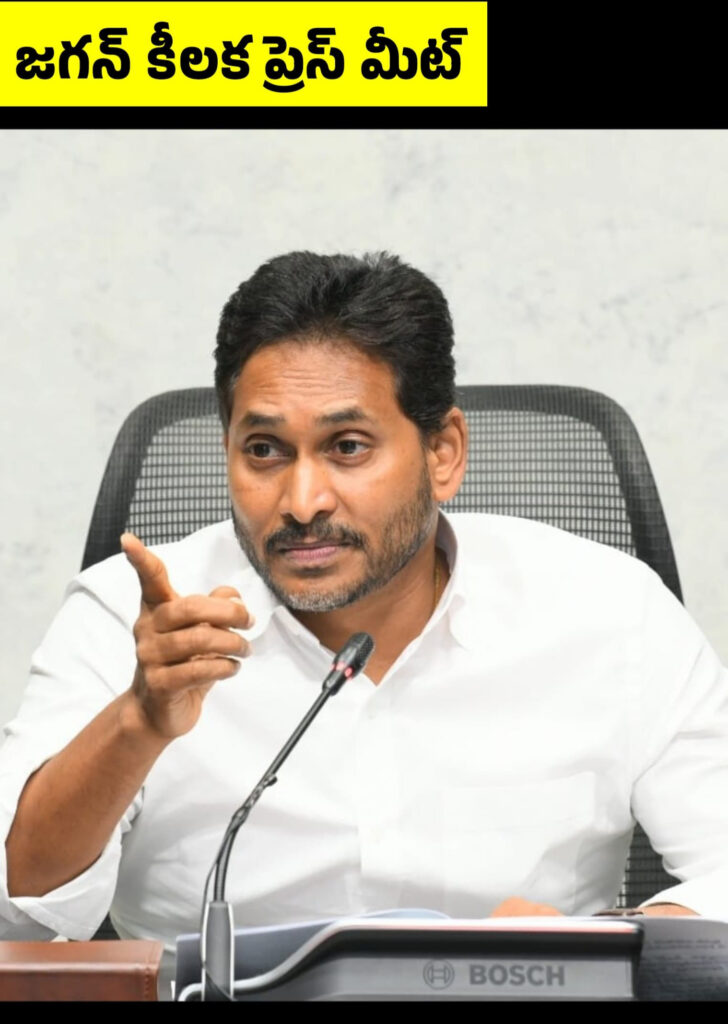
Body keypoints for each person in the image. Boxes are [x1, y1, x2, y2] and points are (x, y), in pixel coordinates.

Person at [1, 252, 726, 964]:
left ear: (443, 453)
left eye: (347, 447)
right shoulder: (128, 619)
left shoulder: (610, 612)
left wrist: (594, 944)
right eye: (264, 450)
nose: (302, 501)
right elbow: (16, 914)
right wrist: (137, 722)